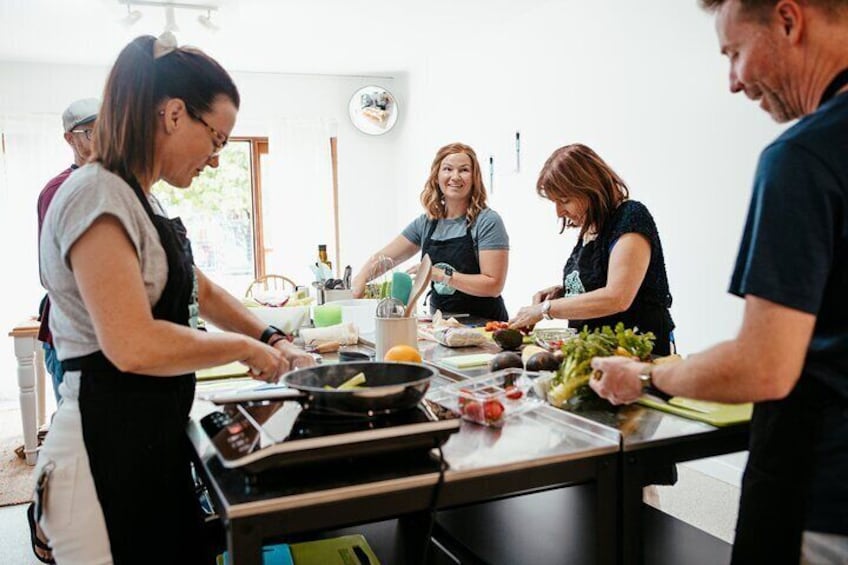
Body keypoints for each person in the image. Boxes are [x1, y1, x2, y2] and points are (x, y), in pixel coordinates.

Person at [31, 33, 315, 565]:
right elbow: (132, 344)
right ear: (175, 114)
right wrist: (246, 350)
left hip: (145, 444)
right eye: (218, 140)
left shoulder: (140, 198)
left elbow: (198, 288)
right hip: (100, 452)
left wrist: (273, 336)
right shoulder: (97, 192)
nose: (214, 160)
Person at [589, 1, 848, 562]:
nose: (733, 83)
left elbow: (764, 364)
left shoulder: (802, 157)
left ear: (788, 20)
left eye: (733, 53)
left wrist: (647, 376)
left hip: (822, 496)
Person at [509, 144, 676, 356]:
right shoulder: (591, 228)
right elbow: (601, 279)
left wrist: (546, 309)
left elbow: (617, 297)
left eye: (565, 200)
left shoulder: (631, 217)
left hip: (634, 354)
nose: (560, 212)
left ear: (590, 188)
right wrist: (563, 292)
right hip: (596, 351)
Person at [352, 142, 510, 321]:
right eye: (448, 169)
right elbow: (384, 259)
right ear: (436, 176)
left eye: (464, 170)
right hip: (441, 325)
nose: (455, 177)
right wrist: (359, 281)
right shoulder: (427, 222)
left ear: (474, 178)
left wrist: (440, 275)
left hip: (484, 326)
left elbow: (493, 285)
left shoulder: (487, 221)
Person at [36, 97, 100, 404]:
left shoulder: (116, 184)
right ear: (69, 138)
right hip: (70, 337)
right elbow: (55, 272)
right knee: (73, 428)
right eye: (91, 131)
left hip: (104, 337)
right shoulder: (59, 189)